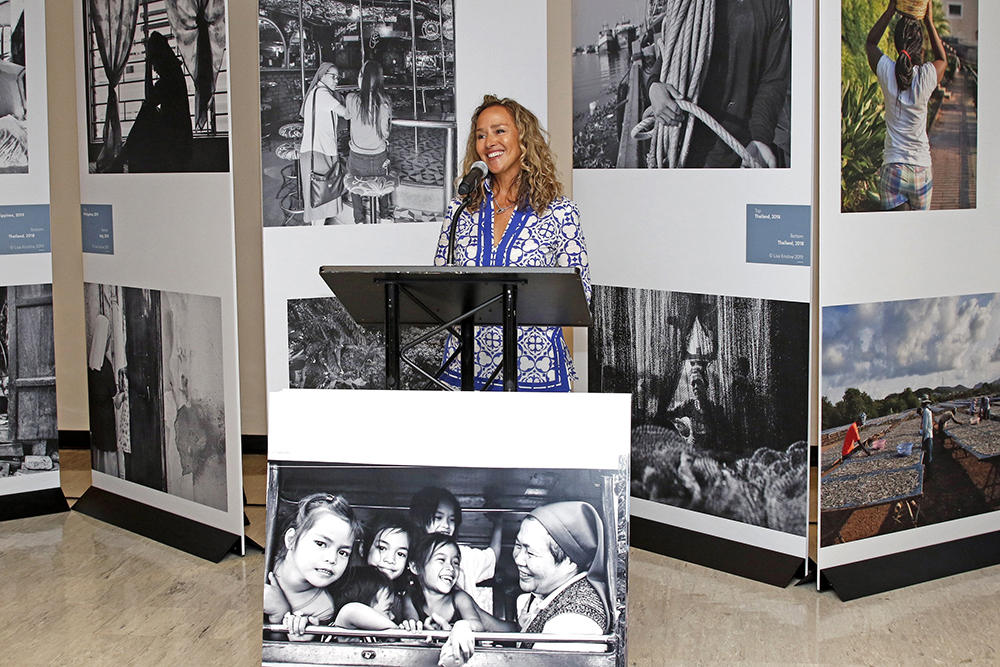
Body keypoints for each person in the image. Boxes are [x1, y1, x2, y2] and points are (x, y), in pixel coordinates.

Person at [434, 95, 590, 391]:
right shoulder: (460, 210)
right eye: (481, 135)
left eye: (499, 131)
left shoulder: (560, 212)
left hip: (535, 373)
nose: (489, 141)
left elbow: (581, 294)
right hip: (464, 368)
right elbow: (439, 285)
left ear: (524, 140)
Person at [438, 501, 611, 666]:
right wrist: (463, 623)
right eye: (518, 545)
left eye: (531, 553)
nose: (519, 559)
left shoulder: (574, 621)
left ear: (570, 562)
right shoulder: (544, 592)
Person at [643, 0, 791, 168]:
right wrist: (654, 86)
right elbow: (674, 49)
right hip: (688, 144)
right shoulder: (695, 4)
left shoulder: (775, 4)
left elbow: (773, 78)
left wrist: (760, 137)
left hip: (745, 150)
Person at [866, 0, 947, 211]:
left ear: (896, 43)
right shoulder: (927, 76)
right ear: (919, 45)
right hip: (922, 169)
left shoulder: (886, 71)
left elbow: (871, 43)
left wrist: (890, 10)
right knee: (918, 236)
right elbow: (942, 59)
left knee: (895, 236)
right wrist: (928, 21)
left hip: (893, 167)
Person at [264, 493, 361, 641]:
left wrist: (281, 612)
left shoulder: (322, 610)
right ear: (291, 540)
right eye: (321, 544)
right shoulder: (266, 561)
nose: (332, 559)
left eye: (343, 552)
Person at [408, 487, 501, 618]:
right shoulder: (411, 554)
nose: (446, 525)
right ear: (419, 520)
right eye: (438, 517)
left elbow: (492, 557)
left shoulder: (464, 554)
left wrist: (499, 524)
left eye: (451, 519)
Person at [114, 32, 193, 173]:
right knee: (147, 111)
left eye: (154, 62)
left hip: (176, 138)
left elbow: (150, 99)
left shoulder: (170, 78)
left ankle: (123, 155)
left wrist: (147, 68)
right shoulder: (174, 73)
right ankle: (123, 155)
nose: (154, 68)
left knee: (147, 111)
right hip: (176, 133)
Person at [402, 534, 484, 636]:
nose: (450, 567)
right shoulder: (410, 597)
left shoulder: (460, 598)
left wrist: (462, 627)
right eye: (441, 560)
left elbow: (478, 626)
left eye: (455, 562)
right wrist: (414, 627)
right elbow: (411, 620)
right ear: (416, 567)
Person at [343, 61, 394, 223]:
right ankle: (385, 215)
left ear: (362, 79)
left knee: (351, 173)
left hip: (357, 159)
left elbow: (347, 116)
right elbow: (385, 133)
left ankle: (359, 219)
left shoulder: (351, 99)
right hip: (378, 157)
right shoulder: (385, 101)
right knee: (383, 178)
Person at [299, 62, 348, 225]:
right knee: (320, 200)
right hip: (318, 151)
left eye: (337, 77)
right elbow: (346, 114)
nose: (336, 81)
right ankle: (318, 237)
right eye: (333, 76)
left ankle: (318, 234)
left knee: (321, 197)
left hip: (318, 150)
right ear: (322, 76)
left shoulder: (317, 92)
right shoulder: (321, 94)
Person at [329, 566, 401, 633]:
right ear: (365, 606)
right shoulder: (343, 627)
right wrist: (396, 631)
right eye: (387, 609)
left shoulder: (375, 635)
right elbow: (350, 612)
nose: (393, 616)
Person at [919, 396, 934, 468]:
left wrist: (922, 437)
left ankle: (930, 473)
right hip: (930, 434)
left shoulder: (925, 412)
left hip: (927, 436)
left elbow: (925, 426)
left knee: (928, 456)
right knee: (930, 453)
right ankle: (930, 471)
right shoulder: (929, 411)